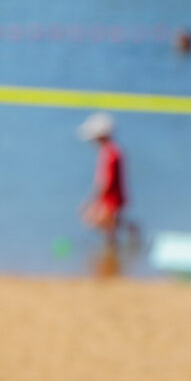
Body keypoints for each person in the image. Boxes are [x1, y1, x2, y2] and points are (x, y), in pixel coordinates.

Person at [78, 112, 134, 275]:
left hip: (110, 198)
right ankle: (114, 258)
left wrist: (92, 202)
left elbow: (106, 182)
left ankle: (113, 257)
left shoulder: (110, 153)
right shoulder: (114, 151)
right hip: (114, 196)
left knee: (100, 225)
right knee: (111, 229)